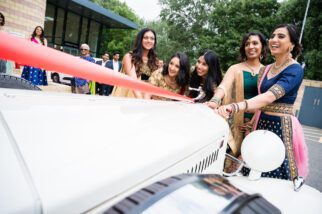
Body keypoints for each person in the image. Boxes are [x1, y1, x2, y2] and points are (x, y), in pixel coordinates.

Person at [217, 24, 308, 181]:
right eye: (272, 36)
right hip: (260, 125)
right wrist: (251, 124)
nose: (274, 39)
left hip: (281, 128)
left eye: (281, 36)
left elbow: (268, 97)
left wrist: (234, 106)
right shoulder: (265, 70)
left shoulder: (295, 69)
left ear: (292, 44)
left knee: (275, 173)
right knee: (250, 172)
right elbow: (261, 103)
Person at [207, 32, 268, 156]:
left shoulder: (268, 72)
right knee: (228, 159)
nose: (251, 47)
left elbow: (268, 98)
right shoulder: (235, 68)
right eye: (247, 44)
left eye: (255, 43)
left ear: (262, 47)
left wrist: (252, 123)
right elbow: (223, 87)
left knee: (251, 160)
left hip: (258, 123)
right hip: (235, 121)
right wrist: (215, 100)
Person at [112, 28, 158, 99]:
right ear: (140, 40)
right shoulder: (129, 57)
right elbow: (133, 82)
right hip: (128, 95)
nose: (149, 41)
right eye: (146, 38)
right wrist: (142, 102)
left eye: (152, 38)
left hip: (145, 96)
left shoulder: (154, 61)